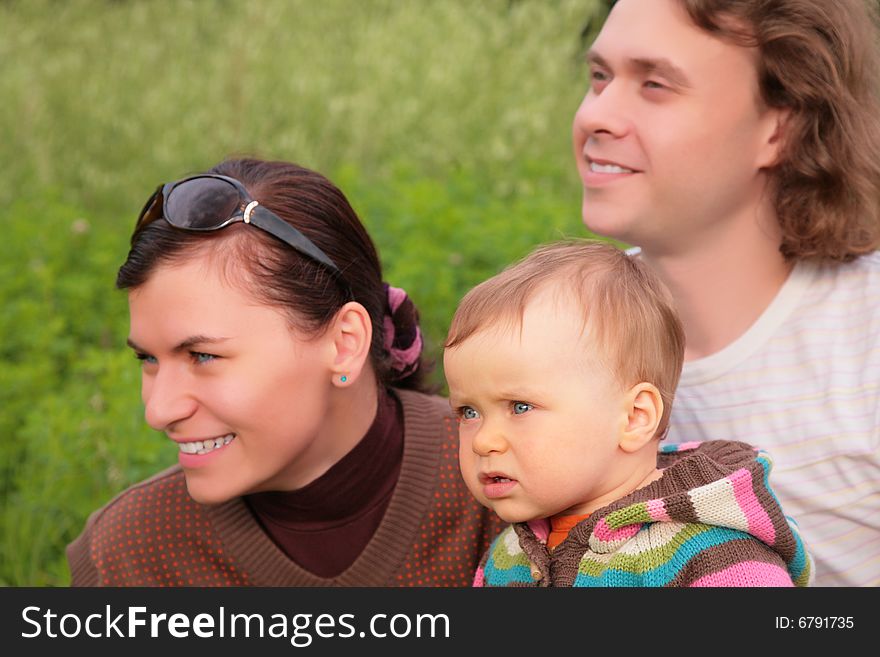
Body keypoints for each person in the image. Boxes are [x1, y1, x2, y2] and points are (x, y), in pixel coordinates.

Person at [66, 158, 504, 586]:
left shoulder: (512, 486)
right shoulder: (127, 557)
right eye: (148, 359)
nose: (159, 411)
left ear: (344, 343)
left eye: (203, 356)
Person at [572, 0, 880, 586]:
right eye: (600, 77)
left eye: (655, 84)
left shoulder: (869, 341)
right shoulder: (563, 327)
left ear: (778, 129)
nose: (596, 115)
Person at [443, 240, 812, 587]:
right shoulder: (509, 556)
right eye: (468, 411)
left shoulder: (716, 558)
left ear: (635, 417)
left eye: (520, 407)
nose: (484, 440)